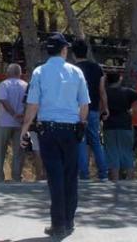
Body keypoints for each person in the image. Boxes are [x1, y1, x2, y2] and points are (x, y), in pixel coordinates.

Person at [20, 32, 90, 240]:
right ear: (64, 50)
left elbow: (33, 104)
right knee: (70, 176)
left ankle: (57, 223)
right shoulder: (76, 72)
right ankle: (68, 221)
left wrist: (25, 128)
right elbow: (84, 104)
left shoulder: (39, 72)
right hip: (71, 130)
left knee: (55, 177)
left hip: (48, 130)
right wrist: (81, 124)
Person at [72, 39, 108, 181]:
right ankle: (103, 173)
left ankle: (84, 174)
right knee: (96, 141)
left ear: (73, 53)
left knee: (80, 140)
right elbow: (102, 90)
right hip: (93, 109)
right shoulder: (97, 68)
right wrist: (105, 108)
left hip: (78, 109)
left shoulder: (73, 69)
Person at [103, 72, 137, 181]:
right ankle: (130, 178)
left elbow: (101, 107)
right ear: (119, 79)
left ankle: (115, 179)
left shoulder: (105, 93)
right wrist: (133, 109)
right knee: (127, 151)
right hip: (125, 124)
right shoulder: (127, 91)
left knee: (112, 151)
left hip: (109, 124)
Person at [0, 63, 27, 182]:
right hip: (21, 123)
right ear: (20, 73)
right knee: (18, 151)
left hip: (4, 122)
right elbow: (29, 103)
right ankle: (17, 176)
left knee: (0, 150)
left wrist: (13, 114)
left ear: (8, 73)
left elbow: (3, 100)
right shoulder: (25, 85)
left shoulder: (4, 84)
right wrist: (22, 116)